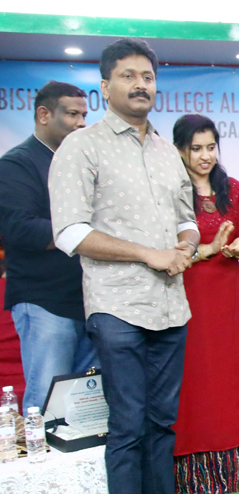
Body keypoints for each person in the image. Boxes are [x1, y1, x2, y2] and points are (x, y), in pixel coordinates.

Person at [48, 38, 199, 494]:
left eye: (148, 77)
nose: (140, 85)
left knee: (163, 424)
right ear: (105, 86)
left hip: (171, 308)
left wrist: (186, 247)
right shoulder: (82, 146)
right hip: (117, 309)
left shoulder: (166, 150)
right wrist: (149, 253)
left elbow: (187, 220)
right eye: (128, 76)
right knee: (129, 427)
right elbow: (70, 233)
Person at [170, 114, 239, 493]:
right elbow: (168, 252)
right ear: (180, 150)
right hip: (188, 296)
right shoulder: (170, 190)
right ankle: (194, 471)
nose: (205, 156)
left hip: (229, 296)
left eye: (211, 147)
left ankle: (238, 464)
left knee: (232, 375)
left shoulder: (232, 188)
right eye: (196, 148)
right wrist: (207, 250)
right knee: (197, 377)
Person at [0, 80, 98, 415]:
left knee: (87, 408)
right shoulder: (17, 164)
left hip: (88, 301)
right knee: (48, 403)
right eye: (72, 114)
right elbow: (19, 229)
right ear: (44, 114)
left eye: (84, 115)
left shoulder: (83, 165)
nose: (81, 123)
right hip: (43, 302)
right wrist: (84, 233)